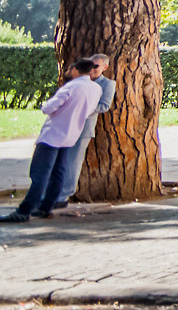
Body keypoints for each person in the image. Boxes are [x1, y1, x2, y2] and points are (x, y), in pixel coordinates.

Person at [4, 58, 104, 223]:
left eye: (71, 68)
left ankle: (24, 210)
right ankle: (46, 207)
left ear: (76, 70)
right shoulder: (96, 89)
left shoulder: (71, 87)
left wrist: (47, 105)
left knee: (40, 174)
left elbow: (49, 108)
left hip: (53, 134)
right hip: (71, 134)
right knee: (58, 173)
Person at [51, 53, 115, 211]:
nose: (92, 70)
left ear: (105, 68)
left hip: (84, 127)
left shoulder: (107, 84)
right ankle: (50, 194)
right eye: (91, 65)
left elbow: (104, 106)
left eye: (96, 66)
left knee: (73, 162)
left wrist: (82, 107)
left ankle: (63, 196)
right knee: (57, 159)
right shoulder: (78, 80)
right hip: (65, 125)